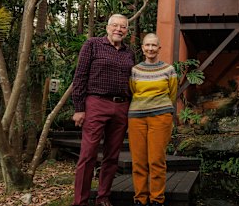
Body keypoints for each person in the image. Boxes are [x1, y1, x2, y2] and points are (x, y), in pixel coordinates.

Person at [72, 14, 135, 206]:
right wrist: (79, 108)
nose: (119, 29)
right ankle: (80, 201)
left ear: (126, 31)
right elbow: (80, 76)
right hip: (96, 103)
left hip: (122, 105)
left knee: (112, 155)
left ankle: (103, 196)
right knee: (88, 153)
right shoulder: (92, 44)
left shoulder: (129, 53)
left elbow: (133, 83)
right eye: (115, 25)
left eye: (123, 27)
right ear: (107, 27)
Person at [128, 33, 178, 206]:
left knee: (156, 160)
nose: (150, 48)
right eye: (147, 45)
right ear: (142, 48)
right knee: (138, 161)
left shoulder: (168, 70)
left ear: (159, 48)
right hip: (137, 118)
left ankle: (157, 199)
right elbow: (133, 90)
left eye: (153, 45)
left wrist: (161, 107)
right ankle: (140, 199)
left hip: (161, 116)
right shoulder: (135, 70)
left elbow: (172, 93)